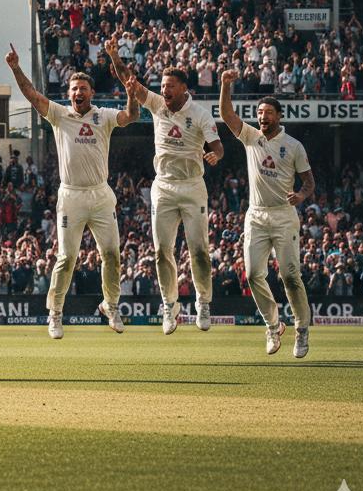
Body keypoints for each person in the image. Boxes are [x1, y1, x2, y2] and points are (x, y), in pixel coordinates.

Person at [5, 41, 138, 339]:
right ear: (69, 94)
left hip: (101, 195)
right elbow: (32, 95)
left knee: (112, 255)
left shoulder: (103, 116)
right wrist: (16, 67)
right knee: (66, 258)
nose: (78, 93)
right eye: (74, 89)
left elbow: (131, 117)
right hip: (71, 196)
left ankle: (111, 306)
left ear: (92, 93)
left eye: (83, 89)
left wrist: (131, 96)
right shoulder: (59, 115)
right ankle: (55, 314)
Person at [109, 51, 224, 333]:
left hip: (193, 186)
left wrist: (215, 156)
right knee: (162, 251)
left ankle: (204, 302)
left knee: (199, 251)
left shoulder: (199, 114)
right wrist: (114, 56)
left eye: (170, 86)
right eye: (162, 87)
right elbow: (130, 82)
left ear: (184, 88)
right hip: (163, 186)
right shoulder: (158, 105)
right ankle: (170, 306)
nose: (164, 91)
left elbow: (217, 145)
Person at [218, 71, 314, 358]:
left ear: (279, 116)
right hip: (256, 215)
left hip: (284, 216)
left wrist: (301, 195)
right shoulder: (251, 136)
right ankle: (273, 325)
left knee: (290, 276)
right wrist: (225, 85)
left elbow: (309, 181)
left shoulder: (294, 146)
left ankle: (302, 329)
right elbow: (227, 114)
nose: (263, 117)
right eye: (259, 112)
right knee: (252, 274)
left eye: (268, 113)